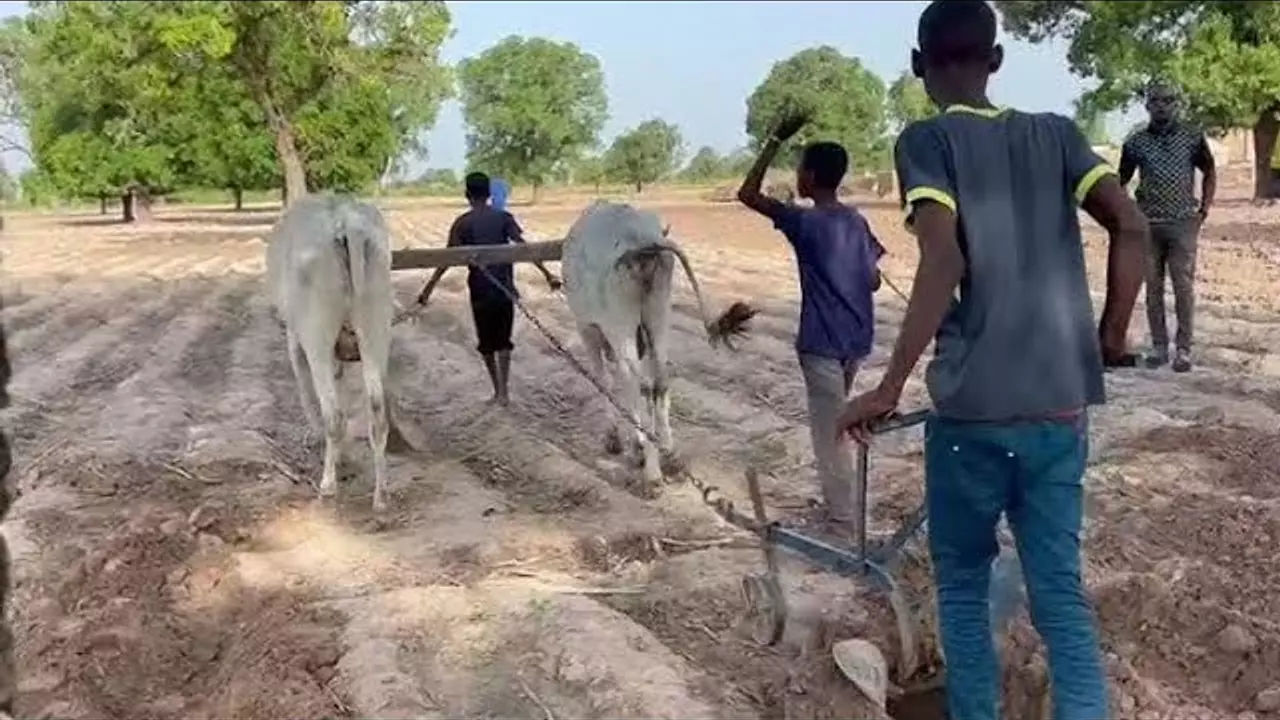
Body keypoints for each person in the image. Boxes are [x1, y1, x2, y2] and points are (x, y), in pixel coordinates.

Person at [835, 2, 1149, 719]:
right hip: (1058, 410)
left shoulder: (927, 141)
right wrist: (1109, 338)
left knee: (963, 585)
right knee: (1059, 593)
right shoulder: (1058, 134)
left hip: (972, 415)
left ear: (919, 66)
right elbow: (1131, 224)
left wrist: (887, 386)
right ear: (997, 60)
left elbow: (943, 258)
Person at [736, 118, 886, 542]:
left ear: (813, 177)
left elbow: (747, 194)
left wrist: (773, 141)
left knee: (830, 432)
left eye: (800, 168)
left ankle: (841, 524)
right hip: (856, 340)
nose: (797, 175)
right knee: (840, 423)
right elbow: (874, 280)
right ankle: (842, 507)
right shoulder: (856, 221)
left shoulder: (803, 222)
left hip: (821, 342)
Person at [416, 172, 560, 405]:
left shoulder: (462, 223)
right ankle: (504, 391)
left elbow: (446, 260)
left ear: (467, 195)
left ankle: (497, 390)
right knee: (504, 341)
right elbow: (524, 248)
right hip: (504, 290)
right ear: (489, 194)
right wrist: (547, 274)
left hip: (480, 293)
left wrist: (427, 290)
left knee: (486, 344)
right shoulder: (504, 218)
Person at [1119, 80, 1216, 373]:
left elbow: (1209, 170)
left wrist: (1204, 209)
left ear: (1176, 104)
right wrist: (1129, 216)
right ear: (1147, 105)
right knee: (1153, 288)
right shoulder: (1135, 143)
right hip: (1148, 225)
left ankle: (1184, 350)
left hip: (1183, 223)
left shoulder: (1192, 137)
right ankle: (1159, 347)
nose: (1161, 106)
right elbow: (1120, 180)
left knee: (1183, 286)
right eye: (1156, 100)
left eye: (1167, 100)